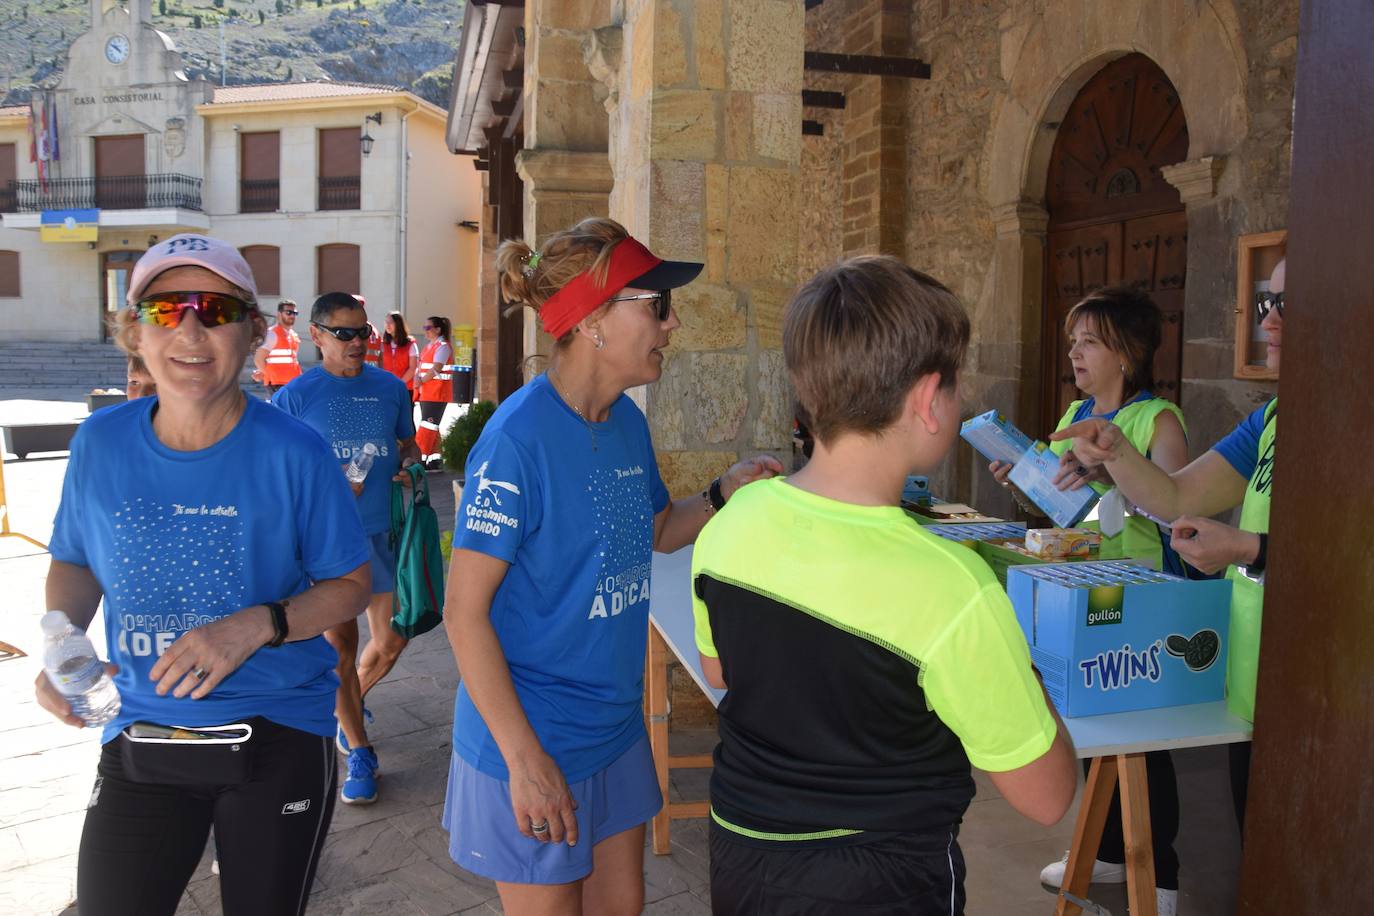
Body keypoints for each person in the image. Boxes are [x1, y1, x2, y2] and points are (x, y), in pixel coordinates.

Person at [691, 255, 1077, 916]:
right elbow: (1047, 796)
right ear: (928, 402)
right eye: (957, 388)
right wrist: (1024, 677)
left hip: (741, 853)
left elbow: (720, 669)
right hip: (880, 882)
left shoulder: (731, 524)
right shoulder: (952, 584)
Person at [441, 217, 782, 914]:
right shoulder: (516, 442)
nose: (673, 320)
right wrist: (524, 760)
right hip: (535, 737)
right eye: (656, 305)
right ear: (594, 319)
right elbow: (463, 612)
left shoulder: (626, 420)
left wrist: (723, 492)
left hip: (613, 729)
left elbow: (656, 528)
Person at [36, 234, 371, 916]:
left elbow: (350, 586)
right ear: (135, 331)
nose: (190, 330)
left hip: (276, 733)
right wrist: (63, 642)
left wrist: (259, 624)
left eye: (213, 308)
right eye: (165, 310)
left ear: (250, 330)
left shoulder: (295, 451)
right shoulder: (100, 442)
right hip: (140, 734)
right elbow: (74, 559)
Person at [1052, 256, 1287, 837]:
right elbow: (1177, 495)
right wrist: (1115, 451)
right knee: (1257, 837)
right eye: (1266, 303)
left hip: (1319, 683)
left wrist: (1249, 549)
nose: (1271, 321)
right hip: (1255, 672)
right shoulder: (1269, 419)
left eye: (1288, 303)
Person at [993, 287, 1189, 913]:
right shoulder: (1076, 413)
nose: (1074, 351)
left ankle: (1160, 870)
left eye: (1090, 341)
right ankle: (1106, 852)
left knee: (1143, 739)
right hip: (1082, 587)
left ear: (1126, 353)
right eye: (1073, 339)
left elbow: (1175, 512)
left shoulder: (1159, 421)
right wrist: (1021, 473)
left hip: (1139, 594)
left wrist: (1115, 478)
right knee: (1091, 727)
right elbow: (1066, 509)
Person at [272, 292, 422, 806]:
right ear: (316, 336)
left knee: (394, 637)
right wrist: (325, 482)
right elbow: (276, 475)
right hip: (328, 546)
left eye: (364, 333)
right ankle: (359, 748)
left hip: (383, 536)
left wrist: (411, 464)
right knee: (340, 648)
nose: (359, 343)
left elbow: (408, 445)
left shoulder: (389, 388)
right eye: (345, 334)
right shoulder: (295, 397)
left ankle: (346, 706)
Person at [414, 315, 453, 469]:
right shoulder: (431, 346)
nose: (425, 331)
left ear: (437, 329)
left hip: (437, 393)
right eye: (424, 328)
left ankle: (420, 459)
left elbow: (437, 368)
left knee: (428, 425)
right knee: (432, 425)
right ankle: (436, 460)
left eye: (428, 328)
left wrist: (421, 381)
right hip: (428, 393)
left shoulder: (443, 346)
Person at [252, 299, 302, 395]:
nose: (292, 316)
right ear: (279, 314)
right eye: (288, 312)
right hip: (276, 385)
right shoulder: (272, 333)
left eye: (295, 313)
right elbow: (259, 359)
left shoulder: (293, 335)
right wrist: (267, 375)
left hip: (292, 383)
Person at [379, 310, 420, 396]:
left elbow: (413, 368)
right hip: (387, 387)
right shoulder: (383, 344)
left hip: (405, 388)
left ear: (398, 324)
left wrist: (399, 383)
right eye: (386, 322)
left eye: (391, 322)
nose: (387, 325)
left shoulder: (410, 344)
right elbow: (381, 366)